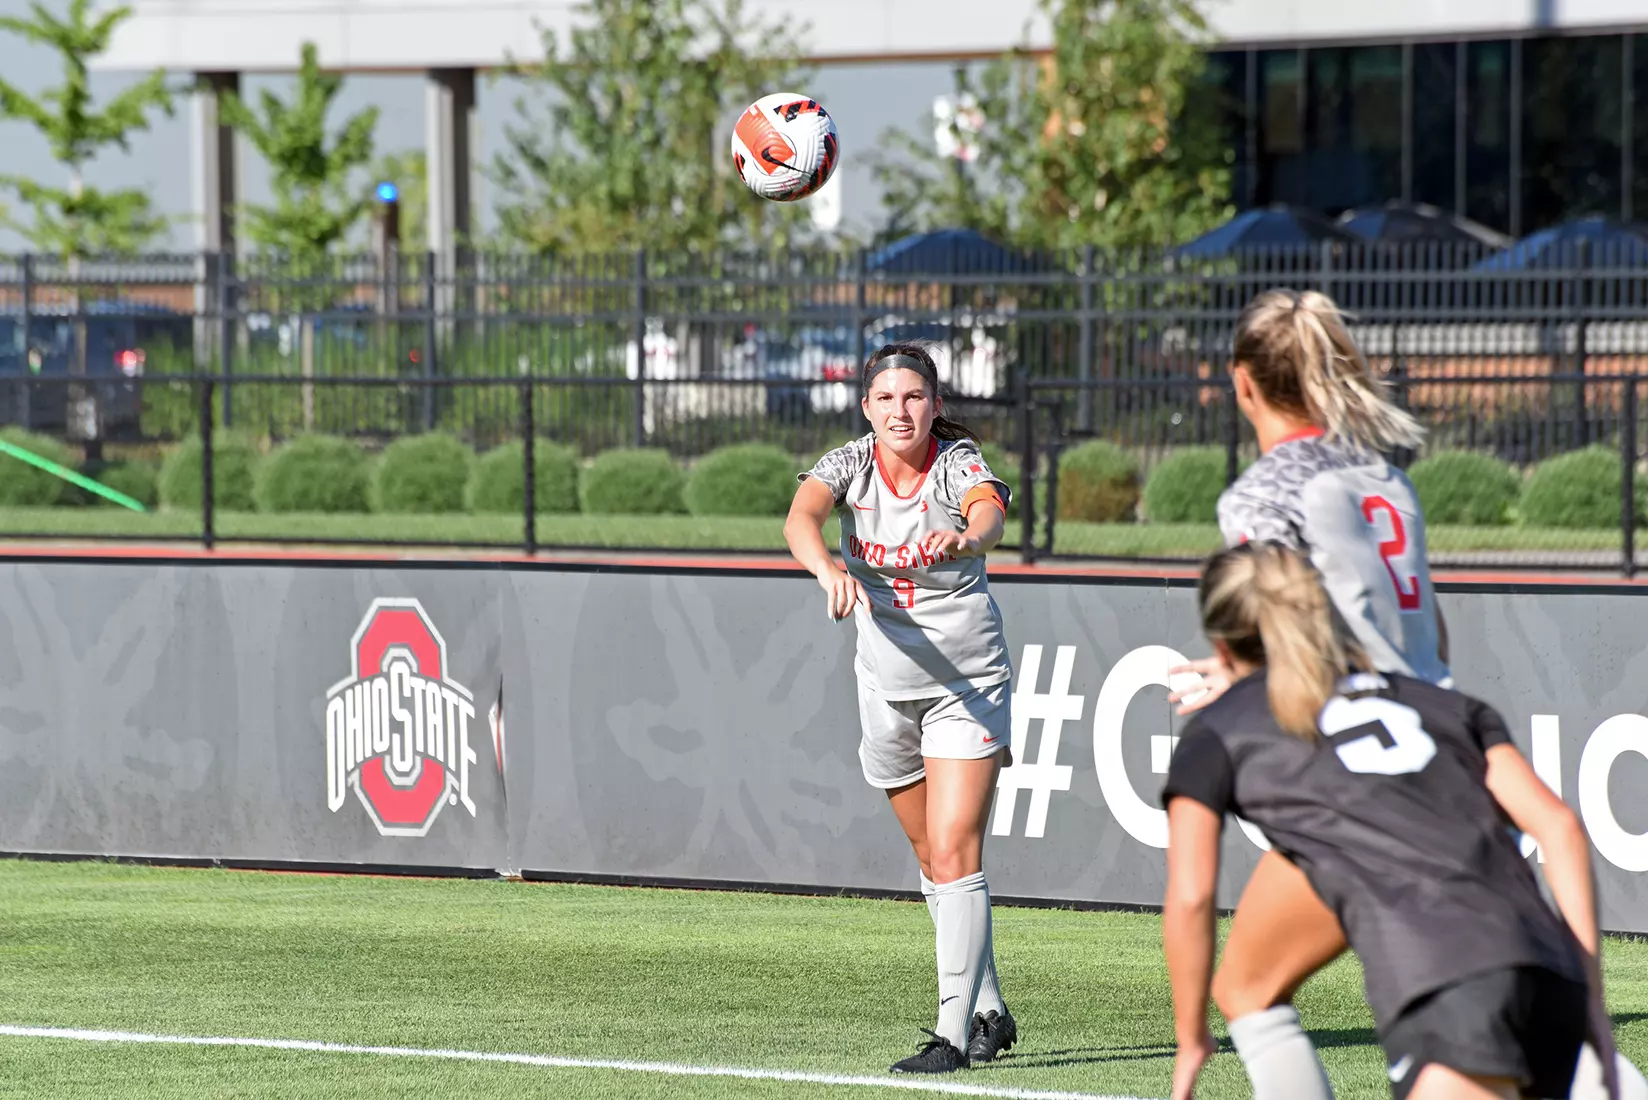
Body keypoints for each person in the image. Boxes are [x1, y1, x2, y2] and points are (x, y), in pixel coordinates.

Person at [1162, 542, 1619, 1100]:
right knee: (1247, 986)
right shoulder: (1440, 706)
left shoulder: (1220, 730)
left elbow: (1190, 896)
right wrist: (1590, 994)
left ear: (1219, 642)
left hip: (1449, 986)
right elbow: (1561, 828)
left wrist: (1190, 1039)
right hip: (1553, 973)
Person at [784, 342, 1018, 1075]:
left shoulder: (955, 463)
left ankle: (951, 1037)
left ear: (936, 403)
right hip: (884, 683)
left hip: (964, 681)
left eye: (914, 397)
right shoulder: (850, 462)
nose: (900, 411)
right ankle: (989, 1008)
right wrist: (826, 567)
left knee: (955, 852)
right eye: (885, 398)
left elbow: (989, 513)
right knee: (928, 858)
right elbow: (801, 518)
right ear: (866, 407)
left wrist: (969, 537)